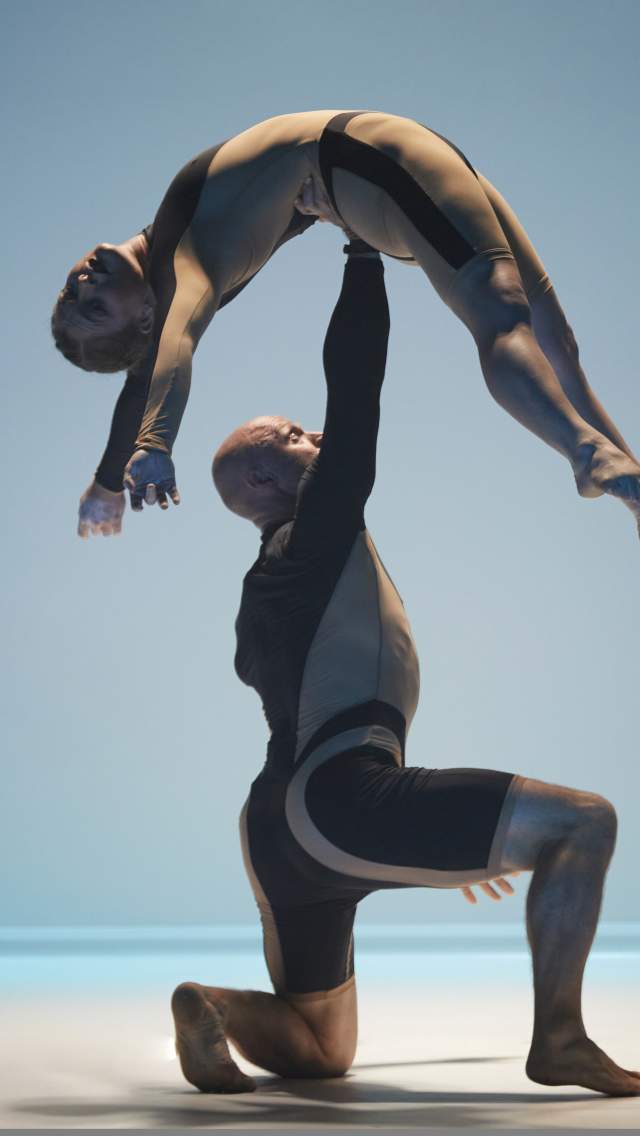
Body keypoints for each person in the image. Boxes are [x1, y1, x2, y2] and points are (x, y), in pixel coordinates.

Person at [170, 242, 638, 1097]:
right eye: (294, 435)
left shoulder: (264, 588)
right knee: (584, 824)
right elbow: (356, 390)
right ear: (271, 477)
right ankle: (561, 1040)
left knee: (321, 1049)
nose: (315, 436)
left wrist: (421, 839)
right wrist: (365, 253)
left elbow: (313, 697)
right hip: (340, 803)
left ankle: (216, 1010)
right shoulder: (315, 534)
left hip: (278, 825)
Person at [52, 110, 640, 538]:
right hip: (380, 169)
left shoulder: (186, 236)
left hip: (405, 162)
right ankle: (587, 451)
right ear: (146, 317)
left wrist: (107, 483)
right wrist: (152, 445)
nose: (84, 284)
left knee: (555, 339)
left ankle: (625, 471)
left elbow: (143, 375)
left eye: (70, 291)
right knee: (502, 314)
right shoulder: (180, 270)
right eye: (94, 309)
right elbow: (167, 356)